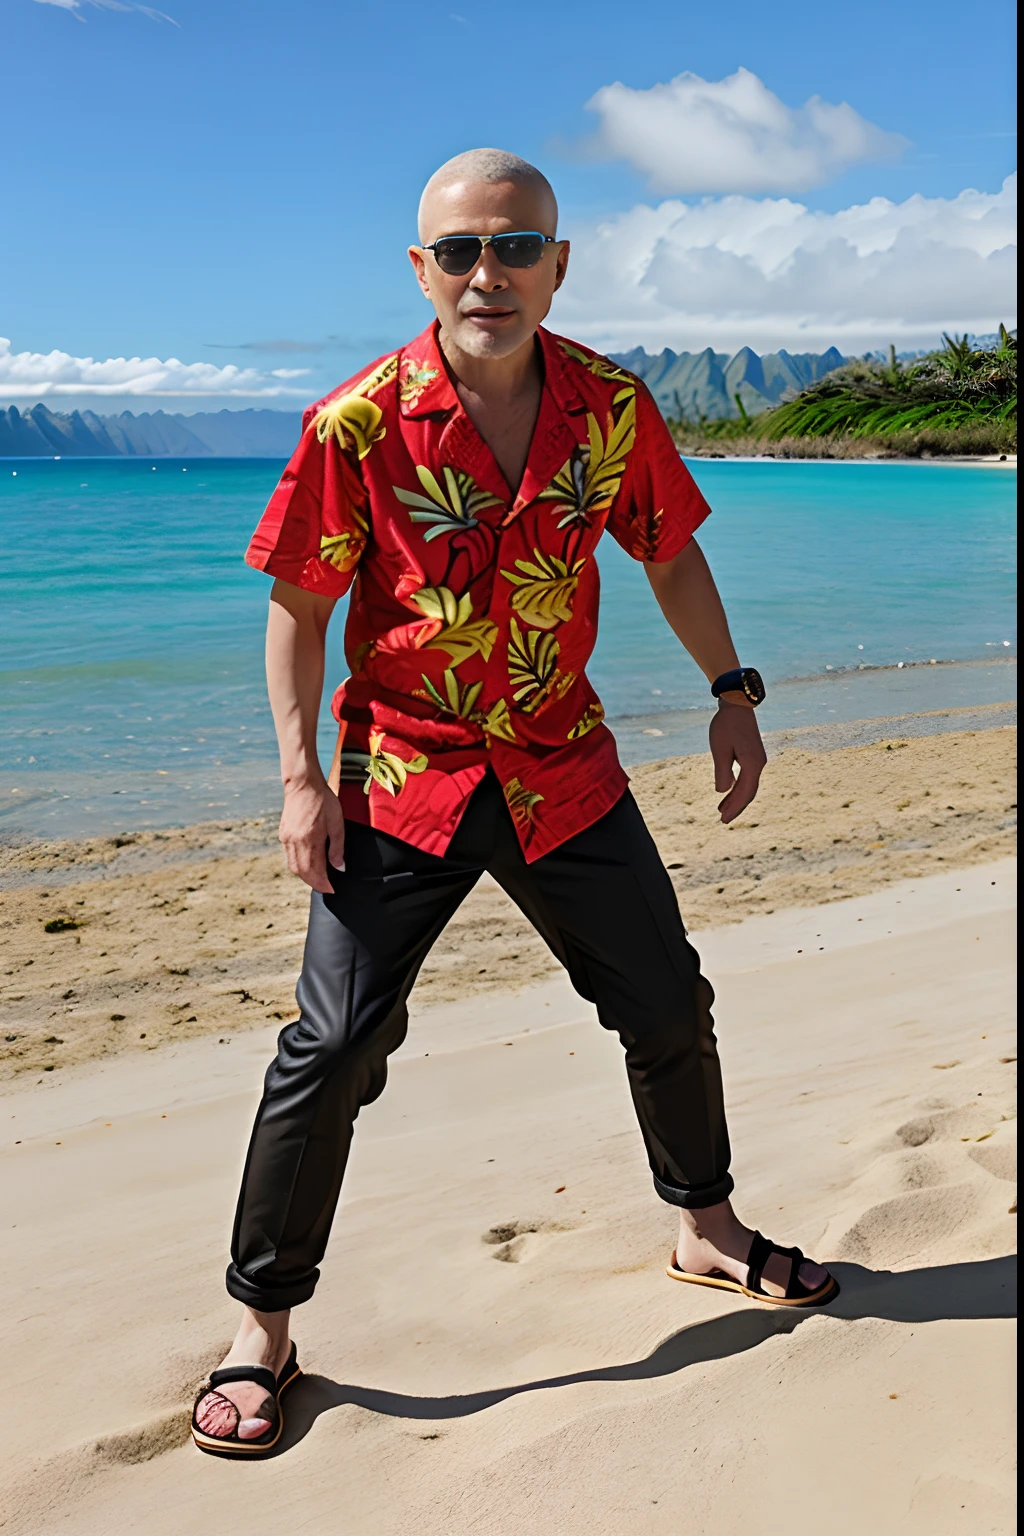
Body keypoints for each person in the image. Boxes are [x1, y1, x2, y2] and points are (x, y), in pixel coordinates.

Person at [191, 148, 837, 1457]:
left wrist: (733, 694)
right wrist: (300, 779)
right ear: (421, 268)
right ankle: (263, 1327)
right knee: (332, 1050)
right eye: (462, 251)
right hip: (402, 779)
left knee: (667, 1000)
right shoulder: (355, 424)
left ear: (559, 260)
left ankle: (704, 1227)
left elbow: (670, 550)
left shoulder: (608, 406)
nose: (490, 274)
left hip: (561, 766)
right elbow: (299, 607)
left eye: (518, 246)